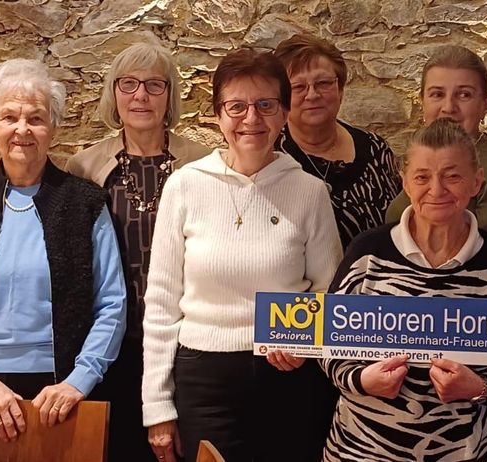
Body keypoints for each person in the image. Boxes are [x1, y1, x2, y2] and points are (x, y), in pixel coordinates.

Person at [141, 49, 342, 462]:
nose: (251, 119)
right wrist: (157, 408)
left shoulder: (309, 192)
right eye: (237, 106)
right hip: (203, 379)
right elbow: (161, 304)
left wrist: (302, 341)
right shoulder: (184, 186)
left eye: (265, 105)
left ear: (284, 113)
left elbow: (329, 290)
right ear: (218, 114)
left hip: (287, 378)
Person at [0, 58, 127, 444]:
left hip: (68, 395)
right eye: (9, 117)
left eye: (35, 118)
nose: (22, 129)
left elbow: (112, 305)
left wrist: (78, 381)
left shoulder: (86, 204)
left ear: (53, 128)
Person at [323, 118, 487, 461]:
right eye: (423, 176)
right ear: (405, 183)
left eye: (452, 176)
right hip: (364, 450)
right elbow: (326, 345)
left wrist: (480, 388)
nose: (437, 190)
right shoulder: (367, 254)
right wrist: (363, 380)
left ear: (476, 182)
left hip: (472, 452)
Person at [66, 42, 210, 462]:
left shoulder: (202, 164)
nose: (140, 95)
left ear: (170, 96)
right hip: (116, 340)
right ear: (113, 93)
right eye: (128, 84)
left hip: (185, 339)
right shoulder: (85, 168)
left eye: (153, 85)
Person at [273, 33, 401, 248]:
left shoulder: (377, 149)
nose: (312, 95)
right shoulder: (272, 160)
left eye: (323, 83)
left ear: (340, 90)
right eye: (298, 87)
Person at [386, 45, 487, 244]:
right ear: (422, 101)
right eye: (437, 94)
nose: (448, 107)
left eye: (464, 95)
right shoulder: (414, 155)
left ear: (485, 104)